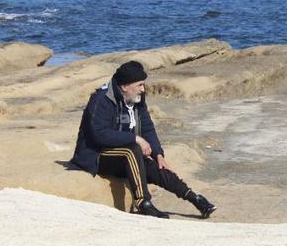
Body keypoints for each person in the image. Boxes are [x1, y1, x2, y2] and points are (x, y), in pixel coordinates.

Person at [70, 60, 216, 219]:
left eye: (143, 84)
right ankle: (142, 202)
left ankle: (194, 198)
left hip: (123, 152)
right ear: (124, 86)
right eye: (139, 85)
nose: (143, 89)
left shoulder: (137, 98)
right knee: (132, 150)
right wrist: (135, 138)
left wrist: (158, 154)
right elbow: (99, 134)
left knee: (156, 167)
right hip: (97, 155)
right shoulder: (102, 99)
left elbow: (147, 127)